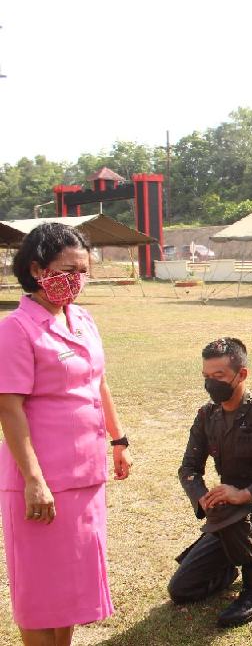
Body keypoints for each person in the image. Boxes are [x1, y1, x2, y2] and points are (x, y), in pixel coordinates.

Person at [0, 223, 133, 646]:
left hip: (85, 474)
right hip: (44, 480)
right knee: (40, 591)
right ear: (37, 269)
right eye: (67, 270)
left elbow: (99, 381)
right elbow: (9, 408)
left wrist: (118, 440)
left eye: (83, 271)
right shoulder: (16, 329)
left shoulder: (82, 319)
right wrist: (34, 482)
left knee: (70, 588)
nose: (75, 281)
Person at [170, 337, 252, 628]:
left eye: (219, 376)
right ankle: (250, 557)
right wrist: (201, 497)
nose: (211, 383)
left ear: (242, 374)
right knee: (181, 590)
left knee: (228, 503)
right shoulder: (206, 415)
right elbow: (188, 468)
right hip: (229, 516)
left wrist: (245, 493)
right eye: (207, 377)